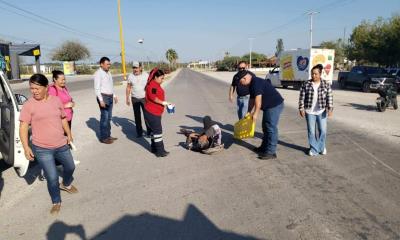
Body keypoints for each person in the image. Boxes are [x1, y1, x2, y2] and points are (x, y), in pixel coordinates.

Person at [19, 74, 78, 215]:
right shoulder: (29, 105)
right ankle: (56, 201)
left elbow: (63, 119)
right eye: (31, 88)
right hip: (42, 148)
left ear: (46, 87)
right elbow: (22, 127)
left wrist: (69, 134)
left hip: (61, 144)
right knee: (52, 177)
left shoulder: (56, 101)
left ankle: (66, 183)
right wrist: (26, 147)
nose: (34, 91)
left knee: (70, 166)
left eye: (37, 88)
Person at [238, 70, 285, 160]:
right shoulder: (251, 84)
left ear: (245, 78)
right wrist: (248, 111)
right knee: (265, 127)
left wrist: (255, 115)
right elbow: (252, 99)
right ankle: (264, 148)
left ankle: (271, 152)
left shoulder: (256, 83)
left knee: (271, 128)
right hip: (269, 106)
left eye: (241, 82)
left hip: (274, 105)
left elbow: (258, 101)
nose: (242, 84)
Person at [298, 64, 333, 156]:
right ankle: (313, 149)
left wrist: (330, 108)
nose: (313, 76)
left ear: (320, 74)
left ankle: (321, 148)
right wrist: (301, 108)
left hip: (321, 111)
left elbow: (329, 97)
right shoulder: (306, 84)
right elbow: (301, 97)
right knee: (311, 131)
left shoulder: (326, 84)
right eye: (312, 74)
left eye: (316, 74)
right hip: (309, 112)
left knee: (323, 130)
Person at [144, 68, 172, 157]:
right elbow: (153, 97)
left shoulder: (156, 84)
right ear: (155, 77)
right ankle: (160, 151)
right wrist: (164, 102)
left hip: (154, 112)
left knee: (153, 132)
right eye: (161, 78)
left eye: (163, 78)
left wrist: (165, 104)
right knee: (158, 132)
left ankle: (154, 148)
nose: (162, 80)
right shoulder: (152, 85)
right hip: (152, 113)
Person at [94, 57, 118, 144]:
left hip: (110, 96)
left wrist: (114, 95)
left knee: (109, 118)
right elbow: (97, 88)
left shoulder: (108, 73)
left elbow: (110, 85)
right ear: (101, 64)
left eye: (109, 64)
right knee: (104, 118)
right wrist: (101, 100)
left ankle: (108, 135)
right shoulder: (98, 74)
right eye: (107, 64)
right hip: (103, 97)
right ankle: (104, 138)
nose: (109, 65)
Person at [125, 61, 150, 138]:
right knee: (137, 116)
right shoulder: (130, 76)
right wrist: (127, 98)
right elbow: (128, 87)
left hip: (144, 98)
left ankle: (149, 132)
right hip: (135, 98)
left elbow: (150, 85)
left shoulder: (146, 75)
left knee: (147, 116)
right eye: (134, 68)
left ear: (140, 68)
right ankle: (139, 132)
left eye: (136, 67)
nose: (135, 69)